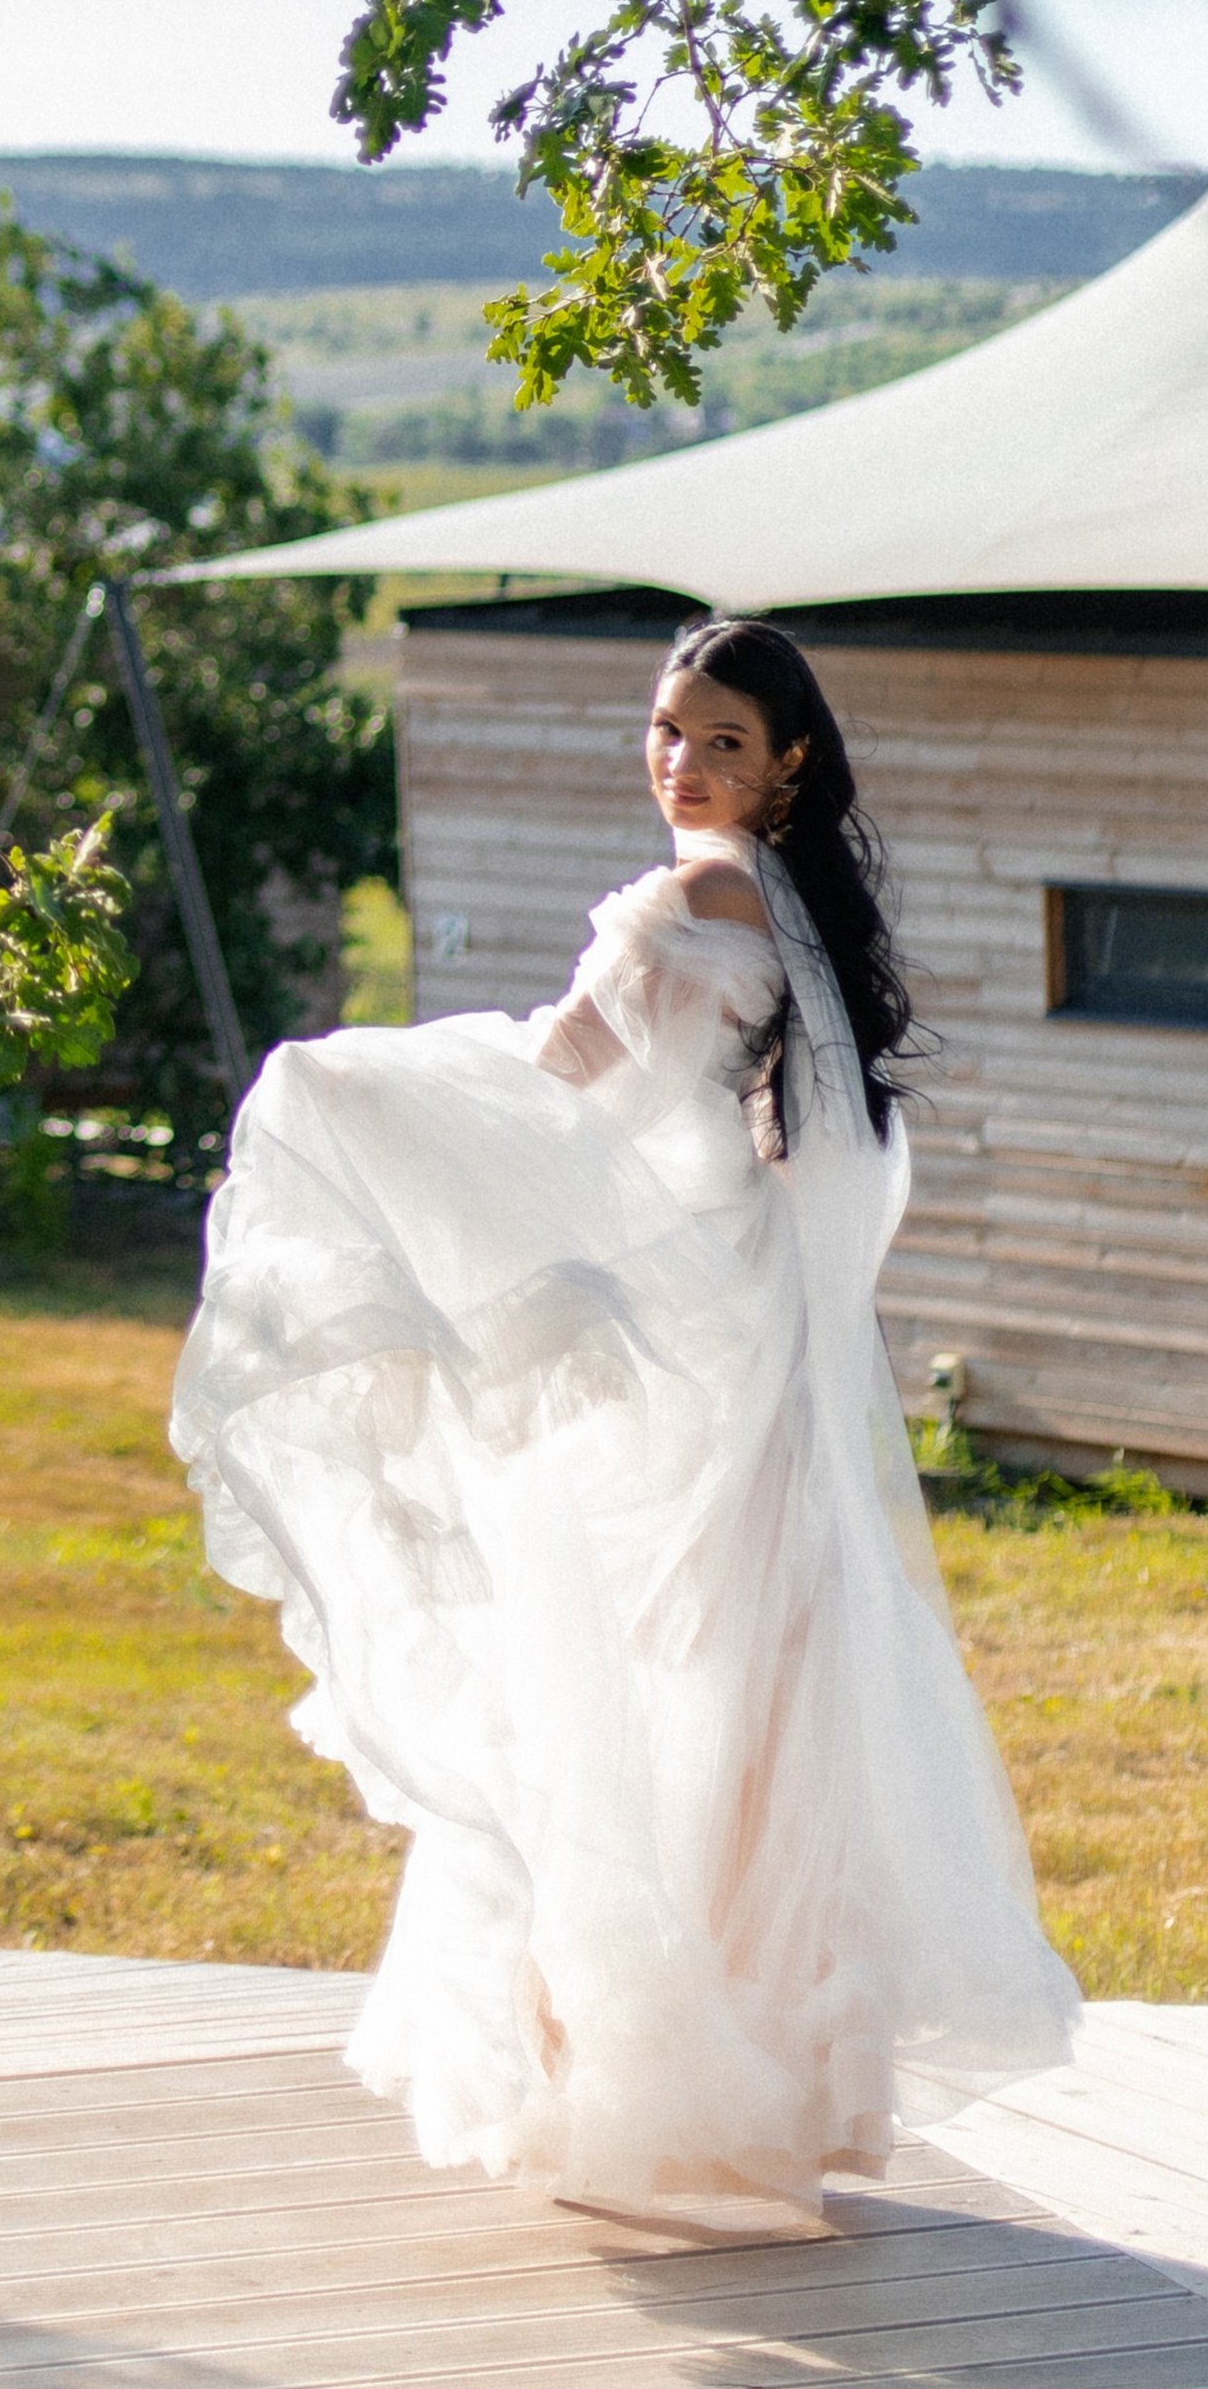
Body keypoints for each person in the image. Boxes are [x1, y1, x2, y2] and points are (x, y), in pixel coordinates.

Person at [171, 617, 1077, 2214]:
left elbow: (557, 1084)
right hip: (743, 1328)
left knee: (631, 1675)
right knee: (728, 1690)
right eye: (669, 730)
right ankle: (762, 2080)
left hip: (703, 1346)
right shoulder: (792, 905)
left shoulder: (701, 898)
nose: (685, 763)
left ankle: (657, 2069)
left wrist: (330, 1088)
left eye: (724, 741)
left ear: (788, 763)